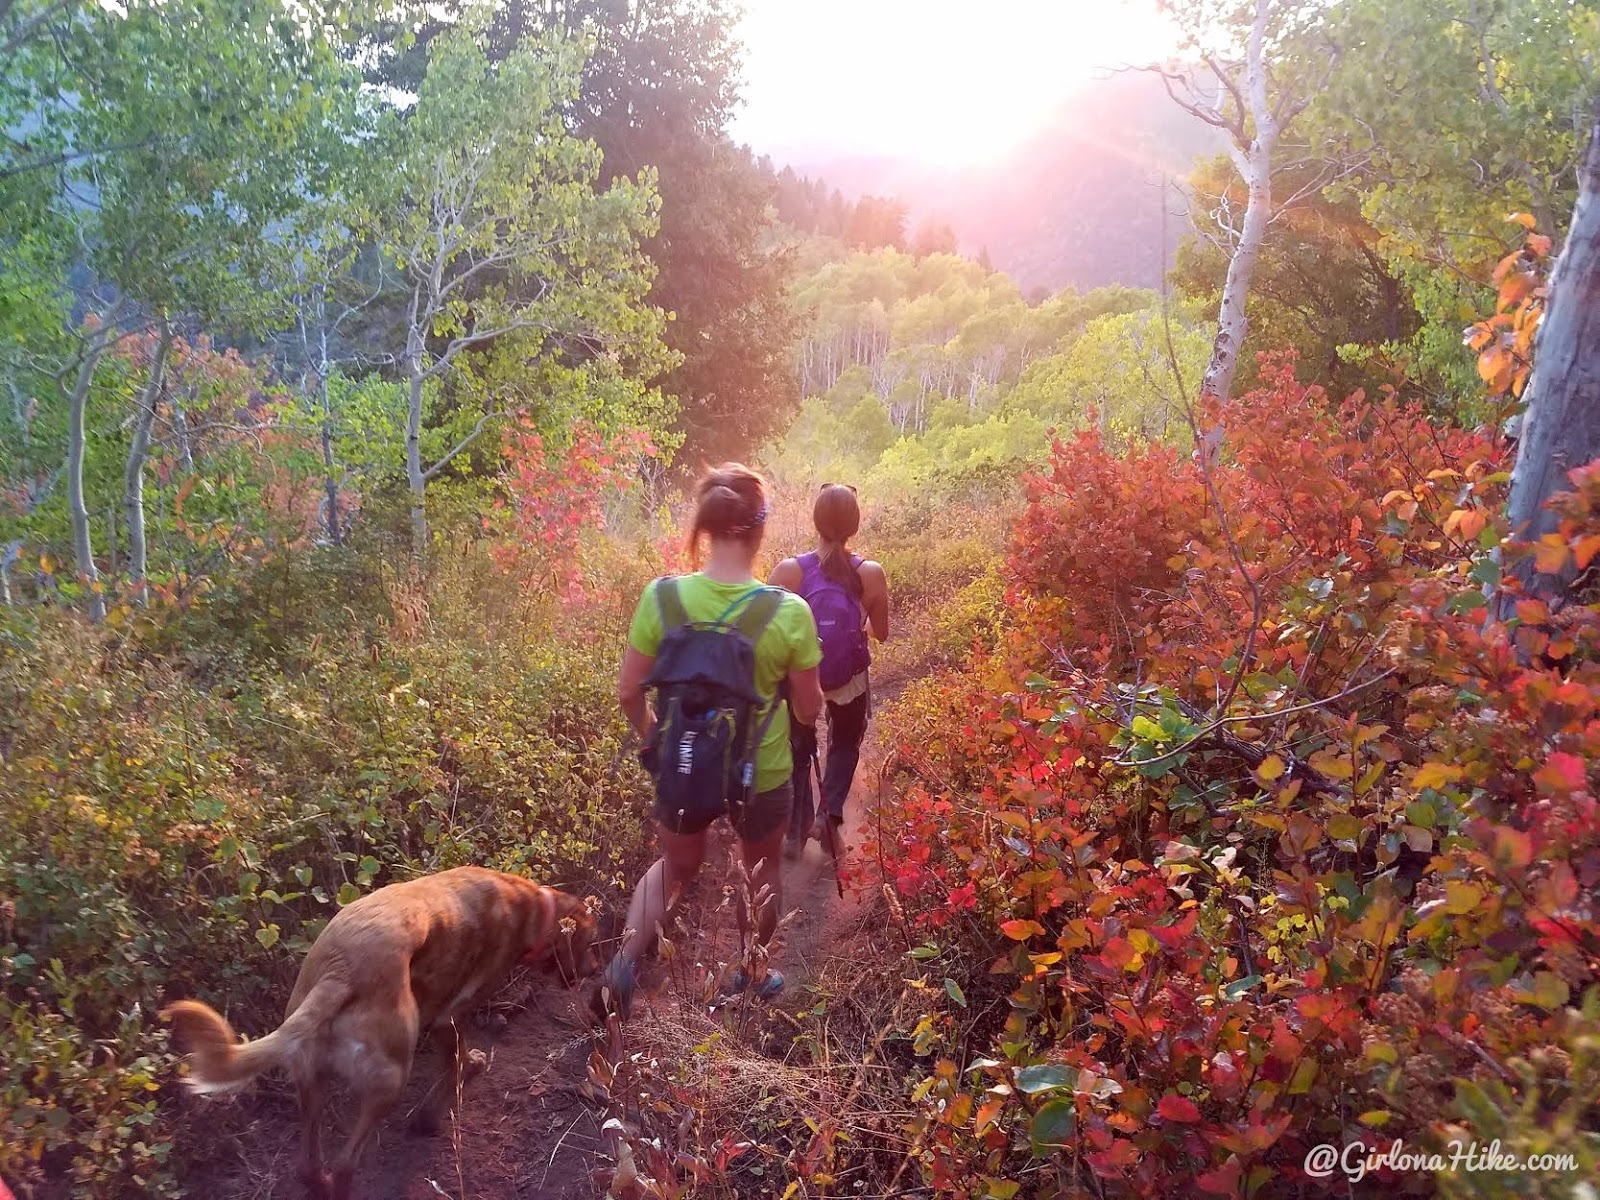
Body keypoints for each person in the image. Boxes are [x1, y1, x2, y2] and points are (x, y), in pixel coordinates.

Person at [599, 464, 823, 1015]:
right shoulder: (789, 613)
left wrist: (656, 741)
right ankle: (751, 970)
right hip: (761, 770)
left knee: (674, 866)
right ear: (759, 530)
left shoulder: (661, 599)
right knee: (760, 869)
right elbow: (809, 707)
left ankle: (624, 962)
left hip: (682, 761)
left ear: (705, 525)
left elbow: (629, 692)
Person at [771, 483, 889, 860]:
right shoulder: (870, 573)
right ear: (854, 524)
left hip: (799, 678)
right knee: (844, 743)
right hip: (848, 678)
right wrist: (857, 628)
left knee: (798, 746)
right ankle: (830, 815)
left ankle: (795, 829)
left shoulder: (789, 572)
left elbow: (768, 634)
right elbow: (882, 633)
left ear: (816, 521)